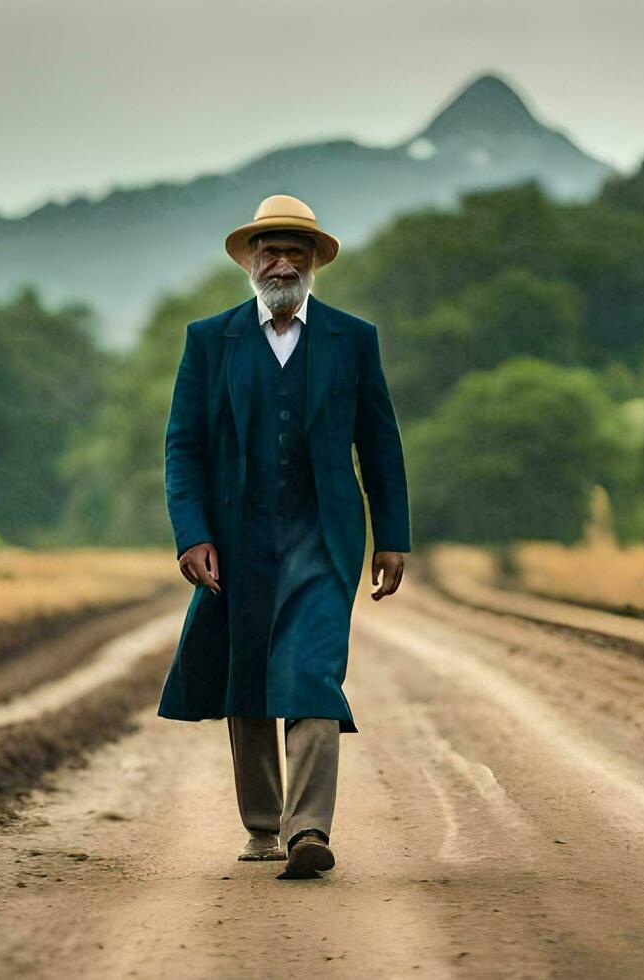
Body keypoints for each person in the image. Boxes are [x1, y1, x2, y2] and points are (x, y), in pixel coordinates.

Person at [157, 193, 411, 880]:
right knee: (248, 677)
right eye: (269, 248)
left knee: (310, 674)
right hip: (236, 541)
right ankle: (264, 825)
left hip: (323, 541)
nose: (281, 260)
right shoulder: (210, 340)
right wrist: (192, 534)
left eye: (295, 249)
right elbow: (182, 448)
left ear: (313, 263)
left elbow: (379, 443)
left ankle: (308, 830)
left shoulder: (352, 339)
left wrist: (393, 535)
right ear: (250, 260)